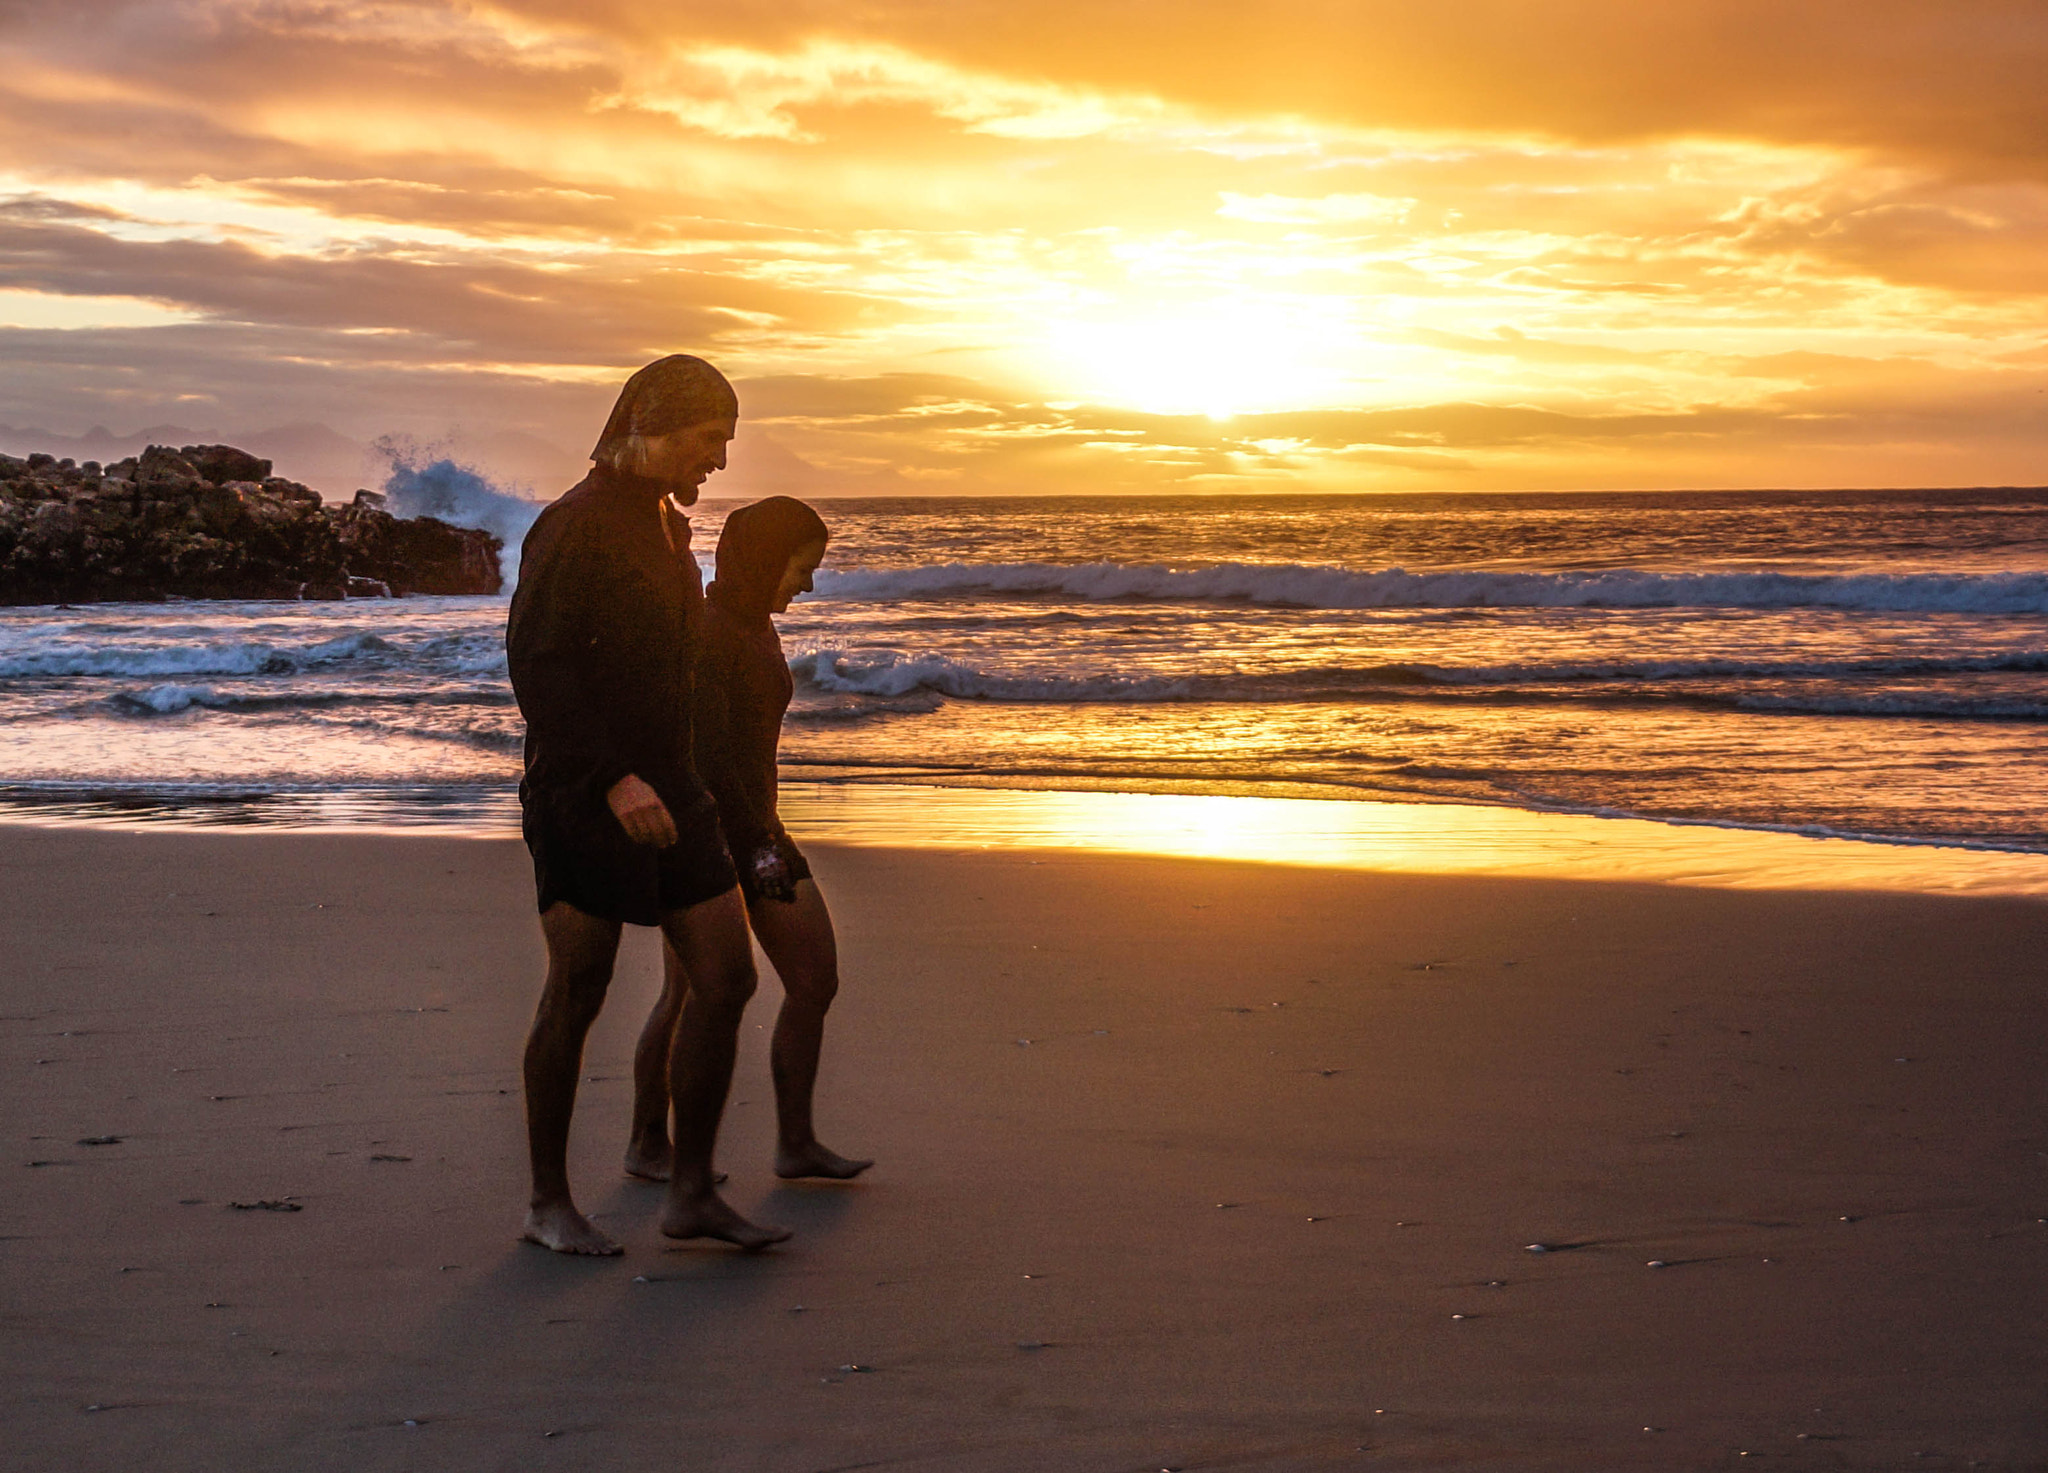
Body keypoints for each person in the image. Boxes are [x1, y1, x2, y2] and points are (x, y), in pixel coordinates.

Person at [506, 354, 790, 1255]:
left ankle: (692, 1189)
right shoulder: (573, 526)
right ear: (655, 426)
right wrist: (609, 779)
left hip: (676, 784)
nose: (715, 461)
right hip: (583, 792)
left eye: (724, 445)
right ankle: (549, 1203)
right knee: (579, 988)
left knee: (728, 977)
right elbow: (538, 667)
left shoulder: (670, 530)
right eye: (709, 441)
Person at [627, 497, 875, 1184]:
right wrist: (761, 849)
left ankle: (792, 1143)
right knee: (718, 990)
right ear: (767, 559)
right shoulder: (714, 633)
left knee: (772, 984)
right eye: (802, 568)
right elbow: (709, 761)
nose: (809, 583)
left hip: (754, 828)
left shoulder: (751, 622)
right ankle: (651, 1141)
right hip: (725, 836)